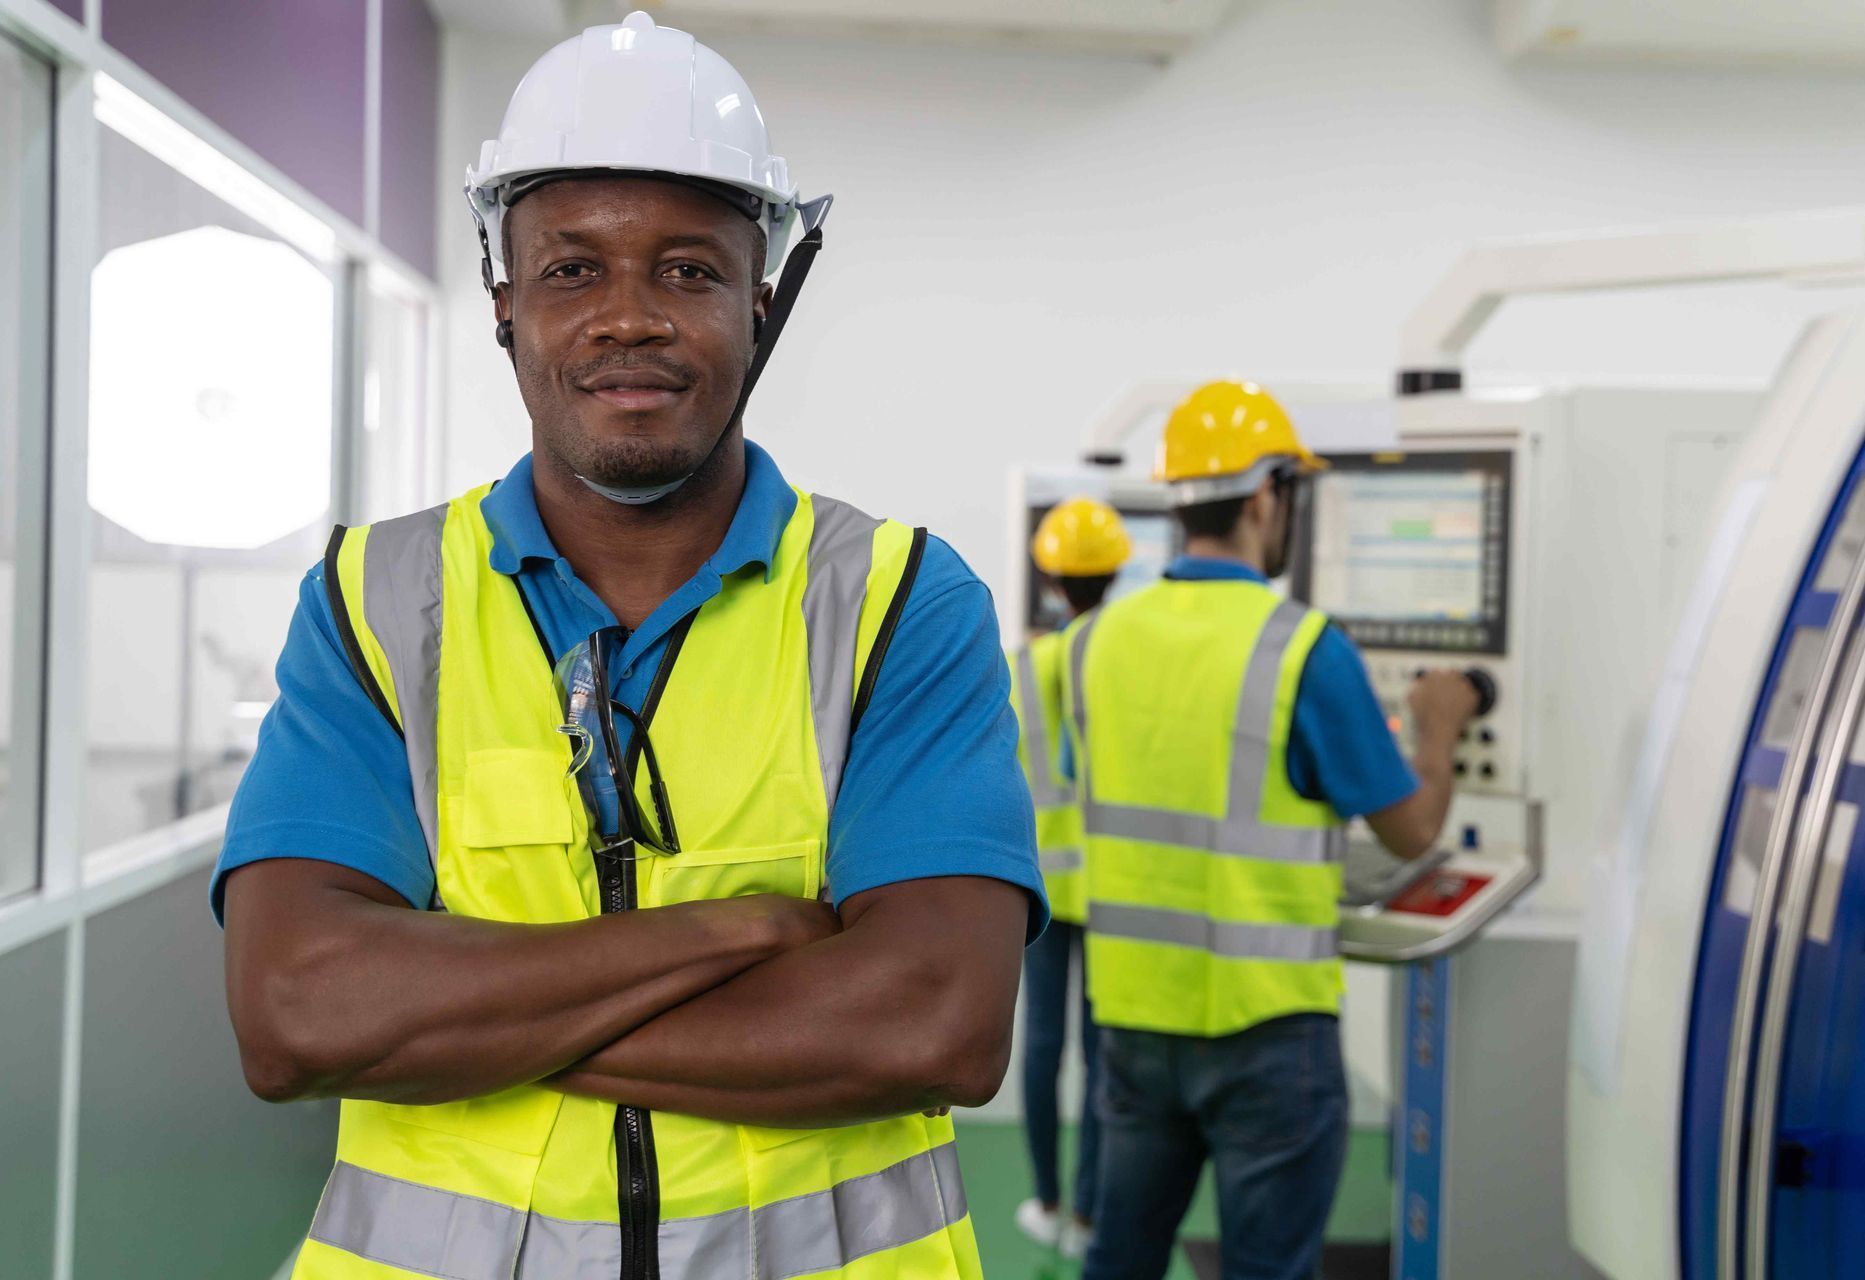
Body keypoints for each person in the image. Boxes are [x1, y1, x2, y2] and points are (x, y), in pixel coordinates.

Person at [213, 15, 1043, 1279]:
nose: (628, 319)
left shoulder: (897, 603)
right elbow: (295, 1015)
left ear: (761, 304)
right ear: (504, 306)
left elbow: (934, 1023)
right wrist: (739, 934)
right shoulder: (371, 604)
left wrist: (447, 1010)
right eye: (571, 270)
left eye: (687, 271)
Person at [1068, 381, 1481, 1280]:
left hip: (1134, 1014)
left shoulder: (1101, 639)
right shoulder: (1300, 645)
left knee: (1122, 1258)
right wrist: (1437, 729)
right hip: (1268, 1030)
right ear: (1266, 497)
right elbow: (1411, 832)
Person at [1010, 498, 1132, 1258]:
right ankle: (1088, 1214)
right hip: (1115, 887)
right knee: (1100, 1053)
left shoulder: (1017, 664)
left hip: (1041, 889)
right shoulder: (1124, 665)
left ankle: (1046, 1200)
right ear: (1118, 573)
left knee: (1042, 1045)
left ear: (1050, 577)